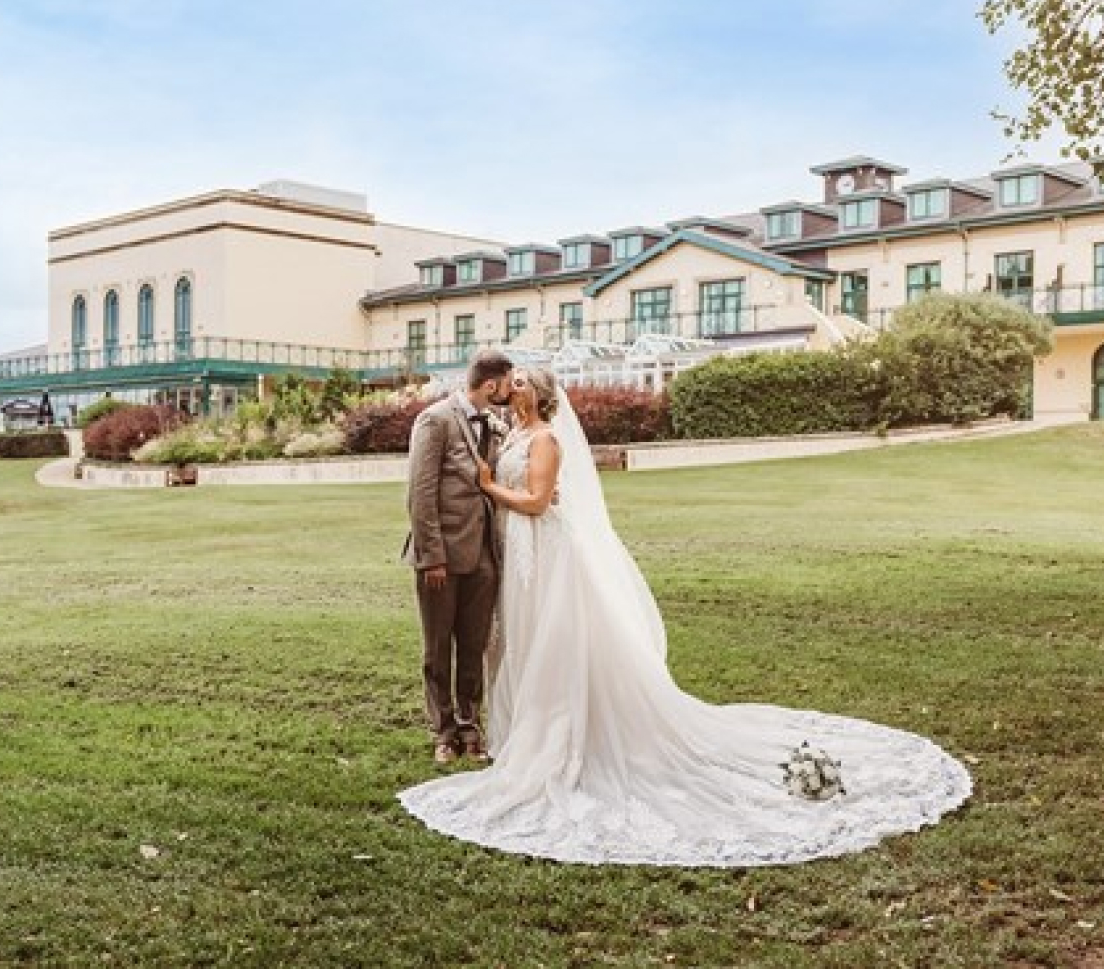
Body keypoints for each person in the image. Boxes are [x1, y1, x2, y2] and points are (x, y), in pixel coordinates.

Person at [398, 367, 972, 866]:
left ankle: (560, 734)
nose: (509, 386)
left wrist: (493, 487)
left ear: (538, 394)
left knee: (554, 638)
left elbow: (540, 501)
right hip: (518, 554)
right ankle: (515, 727)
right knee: (521, 640)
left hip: (544, 547)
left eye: (519, 380)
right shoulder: (512, 429)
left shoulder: (545, 438)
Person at [403, 349, 514, 765]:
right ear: (491, 384)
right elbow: (421, 492)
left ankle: (471, 725)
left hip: (484, 556)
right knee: (437, 649)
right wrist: (432, 556)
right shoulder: (436, 420)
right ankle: (443, 731)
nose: (508, 390)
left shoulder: (495, 424)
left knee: (474, 645)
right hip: (443, 556)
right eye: (507, 382)